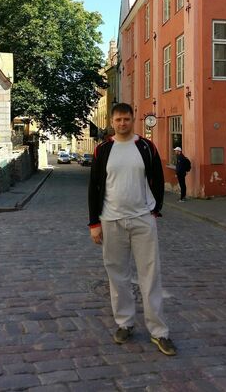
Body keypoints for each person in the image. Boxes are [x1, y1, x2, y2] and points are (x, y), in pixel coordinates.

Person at [88, 102, 176, 356]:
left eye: (126, 119)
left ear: (133, 119)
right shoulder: (103, 149)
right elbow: (94, 187)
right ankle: (124, 323)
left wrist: (155, 209)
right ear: (112, 122)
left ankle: (159, 331)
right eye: (118, 120)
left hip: (142, 219)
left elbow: (157, 179)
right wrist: (94, 223)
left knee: (150, 275)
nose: (122, 123)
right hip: (111, 219)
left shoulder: (146, 147)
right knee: (117, 275)